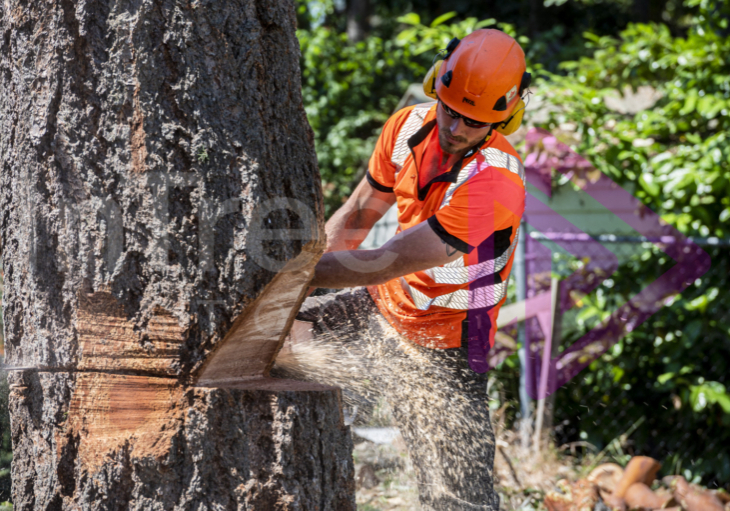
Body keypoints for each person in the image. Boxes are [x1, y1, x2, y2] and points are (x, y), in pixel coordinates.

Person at [276, 29, 528, 511]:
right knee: (285, 334)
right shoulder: (406, 127)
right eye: (451, 109)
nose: (456, 127)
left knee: (457, 496)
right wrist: (293, 291)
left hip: (448, 343)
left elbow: (388, 259)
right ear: (437, 84)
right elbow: (357, 217)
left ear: (505, 117)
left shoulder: (496, 180)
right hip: (382, 306)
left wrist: (296, 277)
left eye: (474, 122)